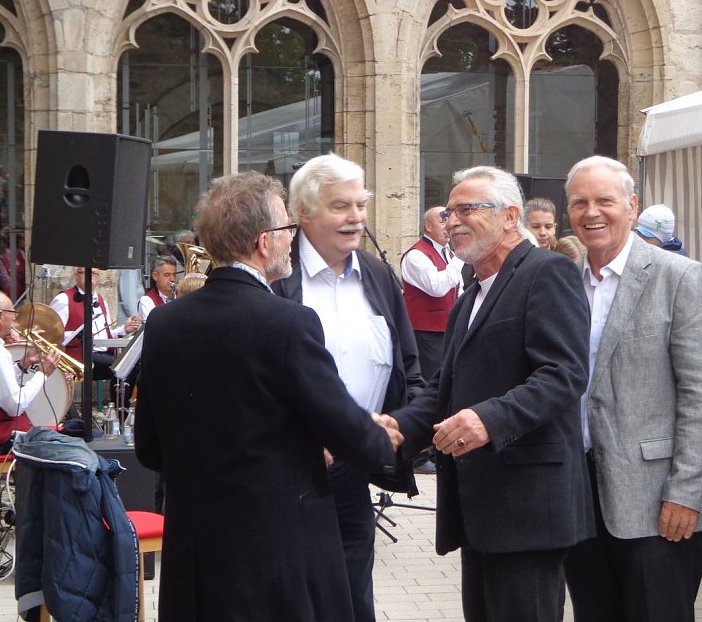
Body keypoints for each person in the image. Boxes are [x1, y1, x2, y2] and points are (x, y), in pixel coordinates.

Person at [134, 171, 402, 621]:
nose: (293, 239)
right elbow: (342, 426)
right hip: (275, 557)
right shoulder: (289, 322)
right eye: (287, 229)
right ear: (264, 242)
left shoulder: (165, 323)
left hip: (197, 557)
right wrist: (380, 437)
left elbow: (149, 447)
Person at [386, 165, 593, 621]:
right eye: (448, 212)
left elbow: (563, 373)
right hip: (480, 511)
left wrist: (489, 419)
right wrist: (395, 426)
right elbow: (443, 390)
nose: (452, 221)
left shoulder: (547, 272)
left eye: (467, 209)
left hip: (528, 512)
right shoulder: (470, 296)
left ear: (510, 216)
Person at [562, 156, 702, 622]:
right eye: (579, 202)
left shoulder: (680, 277)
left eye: (604, 200)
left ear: (632, 207)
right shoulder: (565, 282)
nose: (592, 212)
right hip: (580, 495)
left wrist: (686, 492)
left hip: (658, 502)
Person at [272, 153, 424, 622]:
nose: (356, 217)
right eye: (340, 206)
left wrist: (394, 428)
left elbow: (408, 368)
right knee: (293, 599)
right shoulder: (277, 278)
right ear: (303, 212)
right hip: (288, 472)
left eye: (360, 204)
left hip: (353, 468)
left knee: (354, 597)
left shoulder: (377, 275)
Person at [0, 291, 60, 525]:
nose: (15, 318)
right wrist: (42, 375)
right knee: (52, 443)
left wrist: (22, 365)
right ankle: (31, 515)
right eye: (12, 313)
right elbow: (14, 406)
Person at [50, 267, 141, 397]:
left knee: (130, 365)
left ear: (99, 278)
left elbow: (106, 335)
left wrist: (124, 329)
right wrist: (80, 334)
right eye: (85, 273)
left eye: (94, 274)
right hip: (78, 355)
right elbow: (54, 335)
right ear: (77, 275)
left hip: (101, 354)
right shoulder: (64, 299)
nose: (90, 277)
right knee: (121, 366)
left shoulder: (100, 300)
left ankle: (122, 406)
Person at [400, 205, 463, 381]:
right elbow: (437, 287)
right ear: (428, 226)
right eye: (443, 221)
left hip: (449, 329)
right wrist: (460, 256)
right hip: (426, 333)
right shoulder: (416, 255)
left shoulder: (448, 253)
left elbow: (458, 288)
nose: (448, 226)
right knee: (431, 381)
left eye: (449, 220)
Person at [137, 255, 177, 320]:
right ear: (155, 276)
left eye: (174, 275)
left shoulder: (180, 295)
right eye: (167, 275)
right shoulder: (147, 300)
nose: (172, 279)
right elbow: (154, 323)